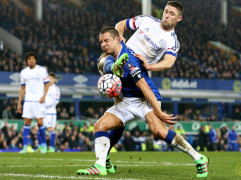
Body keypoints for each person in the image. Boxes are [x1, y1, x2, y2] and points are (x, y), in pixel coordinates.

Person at [76, 27, 208, 178]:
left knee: (160, 132)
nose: (103, 44)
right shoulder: (109, 57)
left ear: (117, 39)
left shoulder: (129, 60)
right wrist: (114, 76)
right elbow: (104, 64)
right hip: (127, 100)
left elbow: (144, 86)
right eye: (101, 42)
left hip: (145, 99)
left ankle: (199, 158)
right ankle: (100, 165)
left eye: (106, 41)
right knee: (100, 125)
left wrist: (158, 112)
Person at [105, 0, 184, 173]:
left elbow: (169, 62)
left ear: (178, 18)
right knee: (118, 119)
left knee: (151, 128)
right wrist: (119, 38)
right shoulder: (147, 20)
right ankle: (104, 159)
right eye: (165, 11)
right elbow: (120, 24)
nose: (167, 15)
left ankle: (103, 159)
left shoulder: (172, 41)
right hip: (123, 65)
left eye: (171, 14)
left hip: (137, 73)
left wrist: (149, 66)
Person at [17, 51, 49, 153]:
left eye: (33, 59)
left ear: (35, 60)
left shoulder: (42, 70)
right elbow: (22, 88)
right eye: (29, 59)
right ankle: (25, 147)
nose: (31, 60)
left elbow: (47, 84)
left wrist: (44, 96)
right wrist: (19, 102)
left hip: (39, 100)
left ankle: (43, 145)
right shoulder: (23, 72)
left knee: (40, 122)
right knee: (27, 122)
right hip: (28, 100)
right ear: (26, 61)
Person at [37, 72, 60, 152]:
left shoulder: (55, 88)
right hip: (42, 111)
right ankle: (40, 146)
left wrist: (47, 106)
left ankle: (51, 147)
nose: (50, 80)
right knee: (38, 128)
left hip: (51, 112)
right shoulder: (44, 88)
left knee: (51, 129)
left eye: (51, 78)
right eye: (49, 78)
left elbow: (56, 100)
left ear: (54, 79)